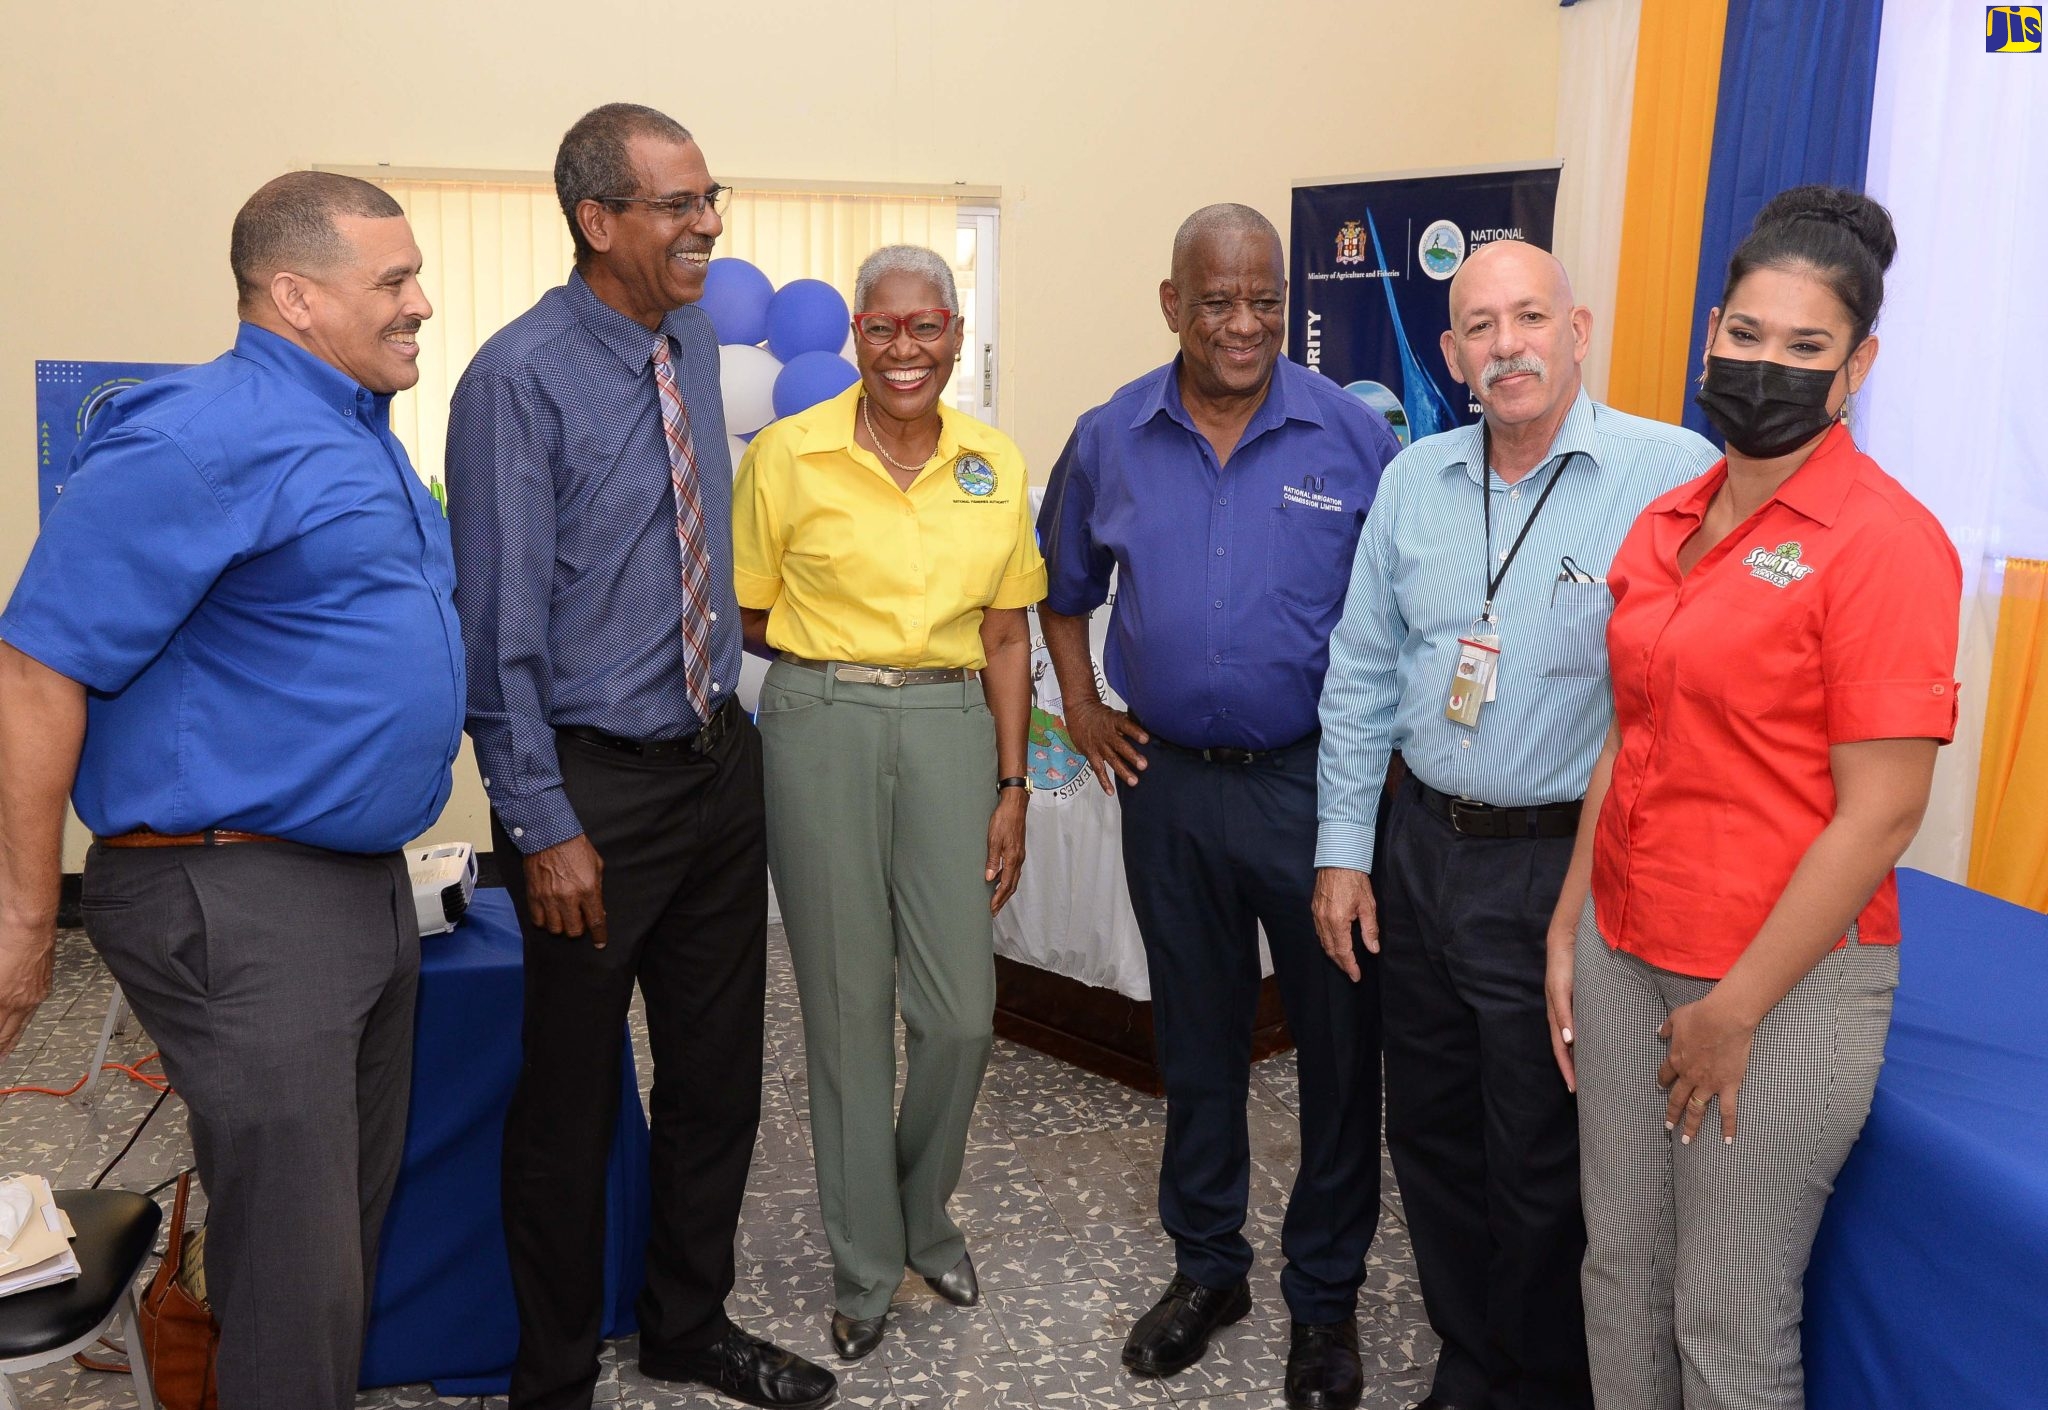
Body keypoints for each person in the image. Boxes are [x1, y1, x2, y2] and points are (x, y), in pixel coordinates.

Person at [0, 172, 461, 1410]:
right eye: (394, 281)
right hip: (238, 889)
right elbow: (38, 664)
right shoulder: (201, 434)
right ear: (296, 296)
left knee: (325, 1247)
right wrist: (27, 916)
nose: (421, 302)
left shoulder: (357, 431)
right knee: (300, 1266)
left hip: (354, 887)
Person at [445, 103, 833, 1410]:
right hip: (589, 791)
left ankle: (685, 1322)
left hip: (720, 764)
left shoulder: (696, 334)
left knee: (719, 1073)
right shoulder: (516, 380)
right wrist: (540, 817)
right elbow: (496, 632)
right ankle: (551, 1376)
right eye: (678, 204)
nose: (709, 224)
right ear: (597, 220)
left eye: (710, 196)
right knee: (567, 1107)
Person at [1546, 187, 1959, 1410]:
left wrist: (1731, 1010)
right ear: (1708, 328)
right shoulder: (1667, 519)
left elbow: (1879, 813)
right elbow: (1625, 741)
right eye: (1745, 335)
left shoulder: (1884, 542)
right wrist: (1571, 924)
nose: (1762, 365)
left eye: (1804, 348)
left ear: (1857, 365)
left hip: (1779, 985)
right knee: (1617, 1272)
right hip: (1624, 953)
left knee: (1723, 1319)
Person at [1313, 241, 1719, 1410]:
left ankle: (1541, 1383)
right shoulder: (1413, 479)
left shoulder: (1667, 474)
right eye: (1479, 328)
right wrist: (1343, 850)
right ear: (1448, 357)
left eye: (1528, 318)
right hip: (1418, 853)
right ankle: (1469, 1358)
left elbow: (1686, 697)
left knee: (1541, 1152)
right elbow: (1359, 672)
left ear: (1576, 330)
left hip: (1562, 867)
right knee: (1429, 1137)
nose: (1506, 346)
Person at [1038, 203, 1400, 1410]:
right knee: (1195, 1044)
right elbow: (1060, 589)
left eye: (1260, 300)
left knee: (1337, 1058)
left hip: (1314, 790)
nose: (1241, 324)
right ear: (1170, 303)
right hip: (1171, 790)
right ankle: (1208, 1271)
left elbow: (1399, 619)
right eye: (1214, 301)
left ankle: (1323, 1300)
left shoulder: (1353, 437)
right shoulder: (1110, 436)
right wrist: (1083, 707)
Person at [731, 243, 1044, 1362]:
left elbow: (1007, 633)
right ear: (854, 335)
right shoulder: (784, 454)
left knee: (960, 1010)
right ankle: (867, 1262)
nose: (903, 349)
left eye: (926, 328)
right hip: (821, 724)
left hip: (955, 725)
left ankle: (921, 1209)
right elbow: (752, 611)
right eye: (882, 328)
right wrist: (843, 666)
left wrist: (1011, 785)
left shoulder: (994, 464)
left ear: (956, 335)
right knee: (845, 1008)